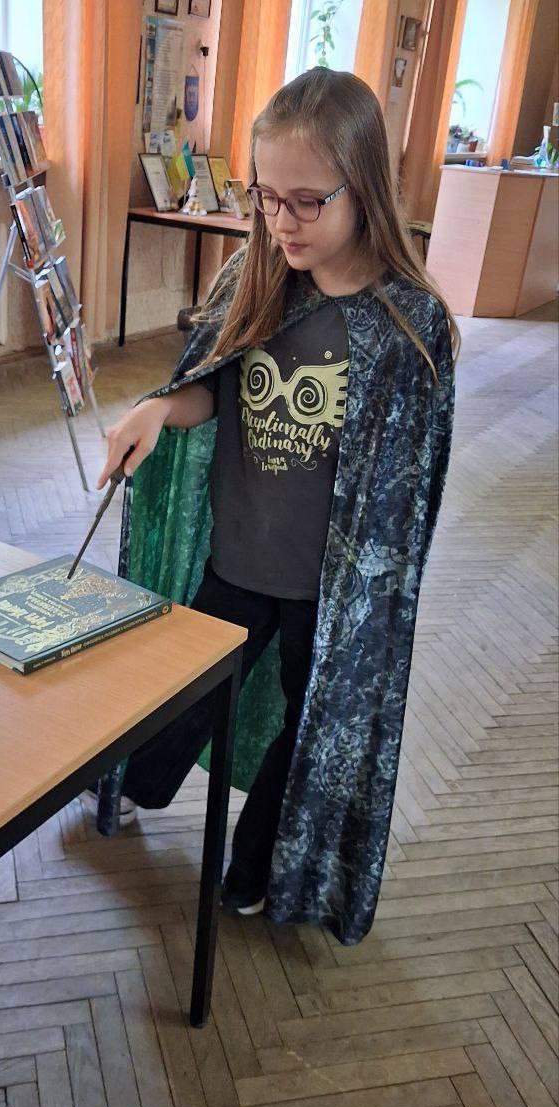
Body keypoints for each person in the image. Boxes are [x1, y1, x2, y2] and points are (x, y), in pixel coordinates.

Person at [84, 66, 458, 943]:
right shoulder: (253, 280)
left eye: (306, 202)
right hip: (237, 558)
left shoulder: (407, 328)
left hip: (326, 593)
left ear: (364, 189)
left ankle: (256, 865)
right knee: (188, 689)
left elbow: (402, 497)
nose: (281, 222)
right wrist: (157, 409)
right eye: (265, 197)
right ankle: (135, 784)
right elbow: (211, 385)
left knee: (307, 724)